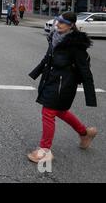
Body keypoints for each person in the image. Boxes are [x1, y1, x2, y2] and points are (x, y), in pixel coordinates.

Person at [28, 12, 97, 163]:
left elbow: (85, 71)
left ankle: (44, 150)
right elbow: (48, 59)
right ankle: (85, 133)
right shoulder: (54, 37)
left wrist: (90, 97)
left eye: (62, 22)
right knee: (60, 111)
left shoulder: (75, 45)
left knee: (48, 112)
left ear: (71, 25)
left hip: (64, 85)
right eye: (58, 21)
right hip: (51, 80)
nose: (58, 24)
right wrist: (35, 73)